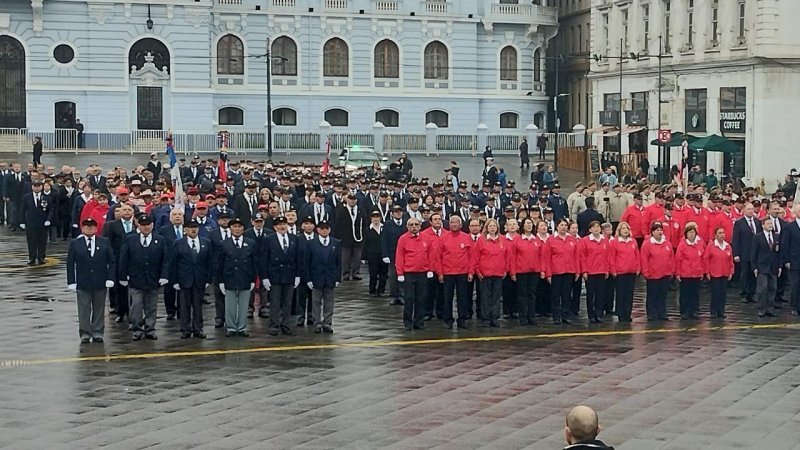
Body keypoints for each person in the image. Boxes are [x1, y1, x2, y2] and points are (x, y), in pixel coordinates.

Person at [119, 214, 169, 341]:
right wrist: (123, 276)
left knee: (151, 306)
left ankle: (150, 329)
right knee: (136, 305)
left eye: (148, 225)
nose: (146, 227)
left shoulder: (160, 239)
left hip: (153, 279)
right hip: (136, 279)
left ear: (152, 225)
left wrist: (164, 276)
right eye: (143, 225)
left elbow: (165, 260)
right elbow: (124, 258)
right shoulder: (130, 239)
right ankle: (136, 329)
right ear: (138, 226)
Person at [66, 218, 116, 344]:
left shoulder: (104, 242)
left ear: (96, 228)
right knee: (84, 309)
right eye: (87, 226)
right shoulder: (75, 243)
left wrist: (110, 278)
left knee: (99, 309)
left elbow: (112, 261)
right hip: (83, 282)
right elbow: (70, 263)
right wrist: (71, 281)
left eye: (92, 226)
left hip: (100, 280)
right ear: (82, 228)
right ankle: (85, 333)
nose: (89, 228)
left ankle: (98, 332)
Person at [170, 220, 212, 339]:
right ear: (185, 230)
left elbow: (209, 262)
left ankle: (198, 328)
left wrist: (208, 279)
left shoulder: (206, 242)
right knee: (184, 306)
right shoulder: (178, 243)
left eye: (195, 227)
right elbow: (173, 263)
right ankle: (185, 329)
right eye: (190, 228)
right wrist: (175, 281)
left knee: (198, 306)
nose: (193, 230)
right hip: (184, 279)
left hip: (200, 279)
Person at [217, 218, 257, 337]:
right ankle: (231, 327)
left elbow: (254, 262)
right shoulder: (224, 243)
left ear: (243, 229)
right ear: (230, 229)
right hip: (229, 277)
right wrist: (220, 281)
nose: (237, 229)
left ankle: (242, 327)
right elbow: (219, 264)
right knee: (230, 305)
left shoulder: (250, 243)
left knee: (244, 305)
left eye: (239, 227)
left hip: (245, 277)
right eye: (234, 227)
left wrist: (253, 279)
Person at [262, 216, 301, 336]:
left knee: (288, 302)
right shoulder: (269, 239)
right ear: (274, 227)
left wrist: (298, 275)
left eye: (284, 224)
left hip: (289, 275)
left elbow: (298, 258)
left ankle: (286, 324)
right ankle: (274, 325)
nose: (282, 227)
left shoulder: (294, 239)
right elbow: (264, 259)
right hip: (275, 275)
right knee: (275, 302)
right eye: (279, 225)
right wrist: (264, 277)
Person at [395, 217, 434, 330]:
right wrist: (400, 273)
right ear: (407, 227)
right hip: (409, 273)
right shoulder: (403, 239)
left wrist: (430, 270)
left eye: (416, 224)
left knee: (421, 299)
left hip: (422, 273)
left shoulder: (426, 238)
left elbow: (430, 255)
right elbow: (399, 256)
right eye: (411, 225)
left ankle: (419, 322)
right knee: (409, 298)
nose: (414, 227)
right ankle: (407, 322)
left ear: (420, 226)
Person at [304, 220, 342, 333]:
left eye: (326, 228)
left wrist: (337, 278)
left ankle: (327, 322)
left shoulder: (336, 243)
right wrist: (308, 279)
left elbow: (338, 262)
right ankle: (317, 323)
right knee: (315, 302)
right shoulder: (311, 243)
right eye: (322, 228)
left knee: (329, 301)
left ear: (330, 229)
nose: (324, 230)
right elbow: (307, 262)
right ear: (317, 229)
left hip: (330, 277)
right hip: (316, 277)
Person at [438, 215, 474, 329]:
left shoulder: (467, 237)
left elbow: (472, 256)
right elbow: (438, 257)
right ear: (449, 224)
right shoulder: (443, 238)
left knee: (462, 297)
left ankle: (462, 319)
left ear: (461, 224)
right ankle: (447, 319)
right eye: (452, 222)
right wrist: (440, 273)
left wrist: (470, 272)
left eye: (456, 222)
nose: (454, 224)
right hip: (447, 272)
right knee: (447, 297)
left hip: (462, 272)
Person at [472, 218, 508, 327]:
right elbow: (476, 257)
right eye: (490, 226)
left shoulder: (503, 239)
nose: (492, 228)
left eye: (494, 226)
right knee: (485, 296)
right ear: (486, 228)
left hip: (498, 273)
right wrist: (478, 271)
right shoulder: (481, 240)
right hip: (485, 273)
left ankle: (495, 317)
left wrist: (505, 270)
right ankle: (486, 318)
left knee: (496, 297)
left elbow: (507, 256)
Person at [511, 217, 545, 326]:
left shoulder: (536, 240)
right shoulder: (517, 239)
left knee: (532, 294)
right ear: (522, 226)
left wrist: (542, 270)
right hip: (521, 271)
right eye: (527, 223)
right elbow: (513, 256)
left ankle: (531, 315)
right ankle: (523, 316)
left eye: (530, 223)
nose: (529, 225)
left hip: (534, 271)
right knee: (522, 294)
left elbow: (541, 257)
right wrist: (513, 272)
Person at [544, 218, 579, 325]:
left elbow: (576, 256)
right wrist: (548, 274)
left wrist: (577, 271)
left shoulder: (572, 239)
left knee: (567, 295)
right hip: (556, 271)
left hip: (569, 271)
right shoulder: (551, 240)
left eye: (565, 225)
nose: (563, 227)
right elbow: (547, 258)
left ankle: (566, 315)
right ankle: (556, 316)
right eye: (561, 225)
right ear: (557, 227)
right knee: (555, 295)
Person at [640, 222, 674, 321]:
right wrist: (645, 271)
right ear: (652, 232)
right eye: (657, 230)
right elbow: (644, 259)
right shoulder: (647, 244)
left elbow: (671, 257)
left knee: (662, 295)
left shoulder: (667, 243)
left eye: (661, 230)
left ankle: (662, 312)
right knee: (652, 295)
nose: (660, 232)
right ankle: (651, 313)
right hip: (652, 274)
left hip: (665, 273)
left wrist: (671, 270)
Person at [579, 221, 611, 323]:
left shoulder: (604, 240)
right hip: (590, 271)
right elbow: (582, 257)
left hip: (601, 271)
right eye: (594, 227)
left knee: (600, 294)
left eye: (598, 227)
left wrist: (606, 270)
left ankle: (599, 314)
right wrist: (584, 271)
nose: (596, 229)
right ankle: (591, 314)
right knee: (590, 294)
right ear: (590, 229)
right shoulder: (585, 241)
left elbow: (607, 257)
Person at [19, 180, 54, 265]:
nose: (37, 188)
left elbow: (51, 210)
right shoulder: (26, 197)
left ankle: (41, 257)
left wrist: (48, 220)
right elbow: (22, 210)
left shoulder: (46, 197)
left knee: (42, 241)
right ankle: (32, 258)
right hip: (31, 223)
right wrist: (22, 221)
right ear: (32, 187)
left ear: (41, 187)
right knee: (31, 241)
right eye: (35, 186)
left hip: (43, 223)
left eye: (38, 186)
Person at [732, 203, 762, 303]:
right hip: (744, 252)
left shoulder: (758, 222)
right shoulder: (739, 223)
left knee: (754, 273)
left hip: (756, 253)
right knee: (745, 274)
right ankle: (743, 293)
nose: (751, 211)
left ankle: (752, 293)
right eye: (748, 209)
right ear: (744, 210)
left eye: (752, 209)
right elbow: (736, 239)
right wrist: (736, 253)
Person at [610, 222, 639, 322]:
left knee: (629, 294)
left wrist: (637, 268)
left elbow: (637, 255)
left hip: (631, 271)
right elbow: (612, 257)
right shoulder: (615, 242)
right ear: (619, 230)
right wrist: (613, 270)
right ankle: (620, 313)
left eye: (627, 228)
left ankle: (628, 313)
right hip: (620, 272)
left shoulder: (633, 241)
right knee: (621, 293)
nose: (625, 230)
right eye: (623, 228)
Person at [752, 217, 781, 317]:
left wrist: (780, 266)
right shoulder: (758, 237)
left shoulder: (776, 236)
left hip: (773, 266)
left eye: (771, 224)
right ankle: (761, 309)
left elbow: (779, 253)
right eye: (768, 224)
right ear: (763, 225)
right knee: (762, 288)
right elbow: (754, 253)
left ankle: (770, 309)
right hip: (762, 266)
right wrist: (754, 267)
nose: (770, 225)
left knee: (772, 288)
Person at [676, 223, 705, 320]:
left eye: (693, 232)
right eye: (690, 232)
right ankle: (684, 311)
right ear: (686, 234)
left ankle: (694, 311)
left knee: (695, 294)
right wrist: (678, 273)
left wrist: (702, 271)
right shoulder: (683, 245)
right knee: (685, 294)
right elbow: (678, 259)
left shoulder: (699, 244)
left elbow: (702, 259)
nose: (692, 234)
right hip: (685, 273)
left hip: (696, 273)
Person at [333, 193, 365, 281]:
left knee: (357, 258)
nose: (352, 201)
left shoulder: (360, 210)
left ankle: (356, 273)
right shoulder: (342, 210)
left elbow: (365, 223)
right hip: (345, 239)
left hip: (358, 238)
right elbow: (338, 225)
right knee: (345, 258)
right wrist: (338, 238)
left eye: (354, 199)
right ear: (347, 200)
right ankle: (345, 273)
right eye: (350, 199)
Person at [705, 226, 734, 318]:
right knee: (715, 293)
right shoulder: (711, 246)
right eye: (720, 233)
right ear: (715, 235)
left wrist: (731, 272)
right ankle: (713, 311)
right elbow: (706, 259)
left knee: (723, 293)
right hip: (715, 273)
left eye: (723, 233)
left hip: (725, 273)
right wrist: (707, 272)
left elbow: (731, 260)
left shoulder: (727, 246)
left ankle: (721, 311)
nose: (722, 235)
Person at [382, 205, 406, 306]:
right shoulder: (388, 224)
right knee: (393, 276)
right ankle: (393, 296)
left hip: (405, 254)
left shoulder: (406, 223)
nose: (398, 213)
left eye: (400, 211)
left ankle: (401, 295)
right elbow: (384, 240)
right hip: (392, 254)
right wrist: (385, 254)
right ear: (392, 213)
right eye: (396, 211)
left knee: (403, 276)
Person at [779, 204, 800, 316]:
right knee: (795, 285)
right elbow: (785, 245)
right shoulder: (789, 227)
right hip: (794, 260)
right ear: (795, 213)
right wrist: (786, 260)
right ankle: (795, 306)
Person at [363, 211, 387, 297]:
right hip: (372, 255)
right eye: (374, 217)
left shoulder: (384, 228)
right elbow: (365, 243)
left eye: (377, 217)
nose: (376, 219)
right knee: (373, 273)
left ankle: (381, 289)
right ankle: (372, 289)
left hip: (383, 254)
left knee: (383, 273)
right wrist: (364, 256)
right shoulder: (367, 230)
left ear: (380, 218)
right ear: (371, 218)